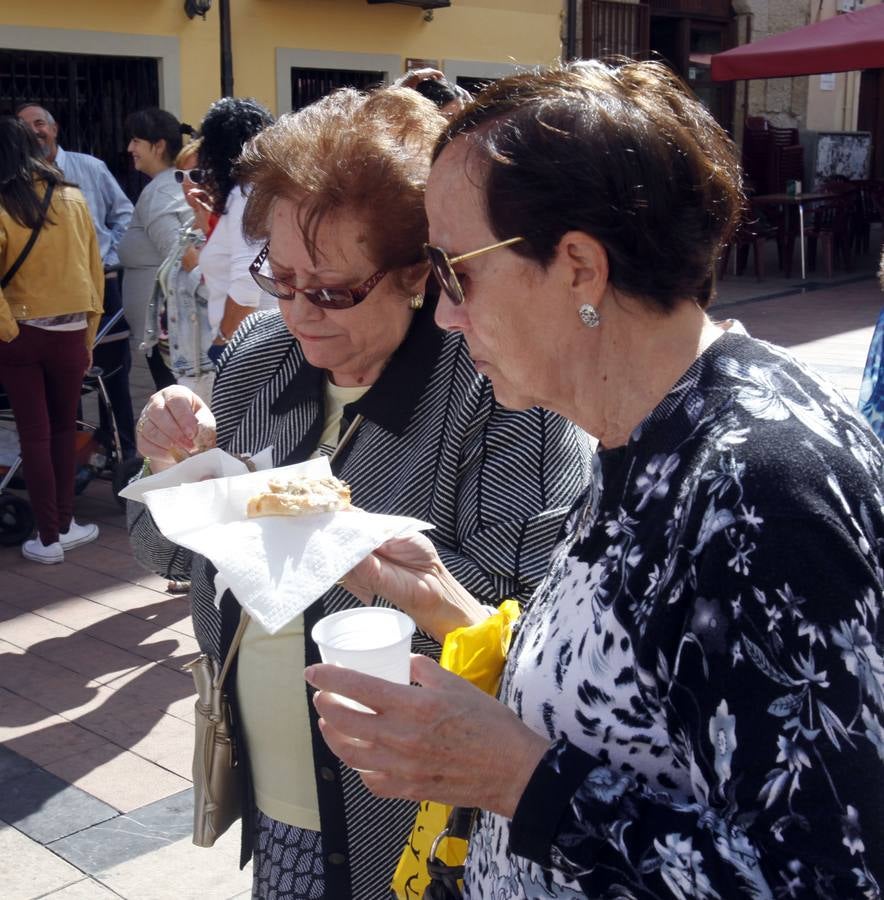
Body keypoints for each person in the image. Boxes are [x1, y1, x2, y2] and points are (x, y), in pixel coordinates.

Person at [306, 62, 884, 899]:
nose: (443, 311)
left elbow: (831, 881)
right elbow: (644, 699)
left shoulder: (758, 490)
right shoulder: (651, 427)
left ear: (578, 265)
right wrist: (448, 608)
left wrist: (521, 783)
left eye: (454, 269)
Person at [127, 86, 593, 899]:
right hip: (278, 796)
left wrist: (340, 545)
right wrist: (177, 469)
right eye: (281, 277)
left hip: (416, 817)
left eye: (334, 290)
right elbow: (174, 555)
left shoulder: (498, 390)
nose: (300, 314)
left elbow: (528, 616)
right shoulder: (262, 360)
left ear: (418, 271)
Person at [0, 117, 103, 564]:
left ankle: (48, 538)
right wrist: (89, 333)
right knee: (64, 428)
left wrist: (8, 329)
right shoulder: (72, 198)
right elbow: (93, 270)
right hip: (70, 330)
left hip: (18, 333)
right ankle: (64, 524)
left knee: (34, 435)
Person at [16, 102, 138, 459]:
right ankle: (79, 459)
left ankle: (125, 452)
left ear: (54, 129)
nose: (35, 131)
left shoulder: (90, 168)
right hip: (51, 298)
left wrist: (108, 255)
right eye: (25, 127)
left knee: (113, 375)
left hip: (103, 285)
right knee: (65, 382)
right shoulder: (16, 182)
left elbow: (124, 214)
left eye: (40, 123)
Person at [194, 97, 277, 364]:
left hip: (250, 350)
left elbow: (249, 277)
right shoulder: (258, 191)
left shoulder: (246, 194)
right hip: (264, 340)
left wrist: (223, 339)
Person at [117, 107, 190, 391]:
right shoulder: (167, 186)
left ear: (158, 146)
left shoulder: (161, 192)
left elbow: (181, 254)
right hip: (169, 330)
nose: (129, 148)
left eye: (136, 141)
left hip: (171, 334)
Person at [142, 138, 215, 404]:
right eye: (180, 175)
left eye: (195, 175)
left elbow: (229, 295)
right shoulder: (188, 229)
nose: (186, 182)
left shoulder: (227, 229)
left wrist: (197, 265)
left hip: (207, 369)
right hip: (179, 361)